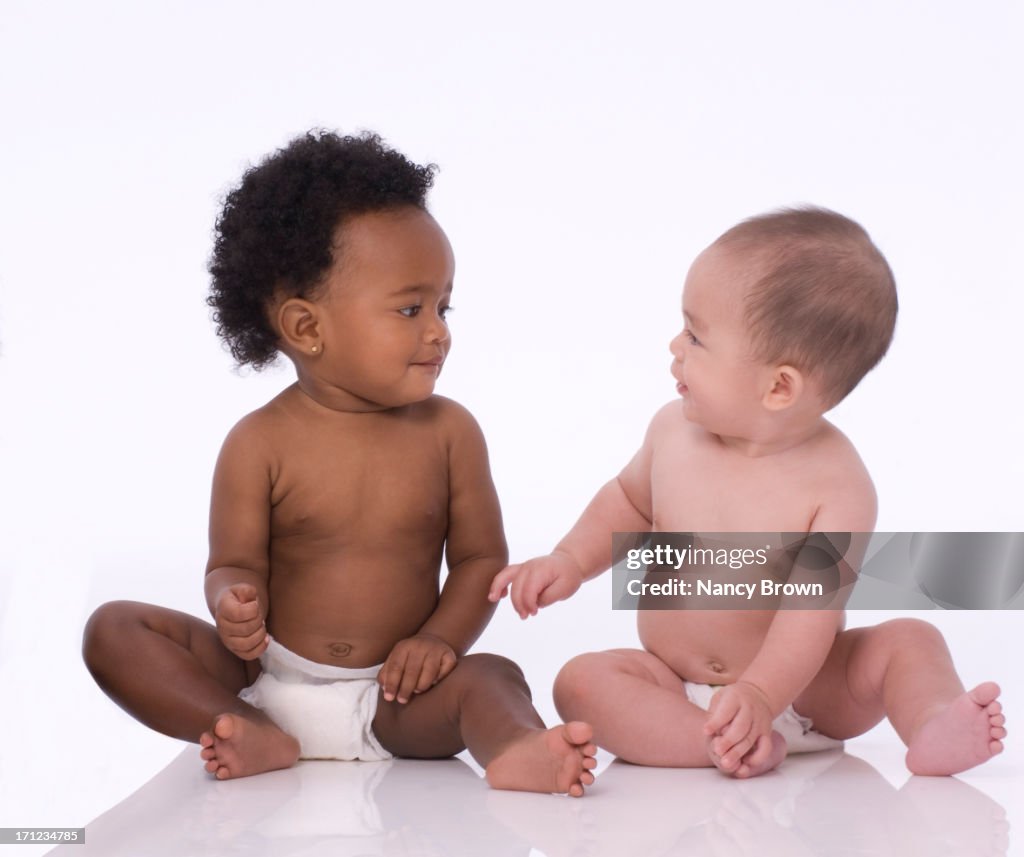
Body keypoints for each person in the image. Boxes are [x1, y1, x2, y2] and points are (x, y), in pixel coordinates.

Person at [83, 130, 596, 796]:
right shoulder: (258, 442)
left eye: (444, 305)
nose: (438, 329)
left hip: (398, 697)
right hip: (265, 682)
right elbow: (232, 562)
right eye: (410, 308)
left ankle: (519, 749)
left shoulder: (450, 433)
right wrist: (230, 600)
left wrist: (440, 640)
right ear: (306, 328)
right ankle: (240, 726)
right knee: (113, 629)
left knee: (494, 676)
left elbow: (478, 562)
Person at [490, 207, 1006, 778]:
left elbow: (808, 616)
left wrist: (761, 694)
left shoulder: (837, 484)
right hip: (672, 684)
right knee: (581, 680)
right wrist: (570, 559)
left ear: (779, 386)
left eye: (695, 336)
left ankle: (932, 721)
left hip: (807, 692)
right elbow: (629, 503)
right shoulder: (672, 432)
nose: (673, 346)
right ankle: (710, 742)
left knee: (910, 639)